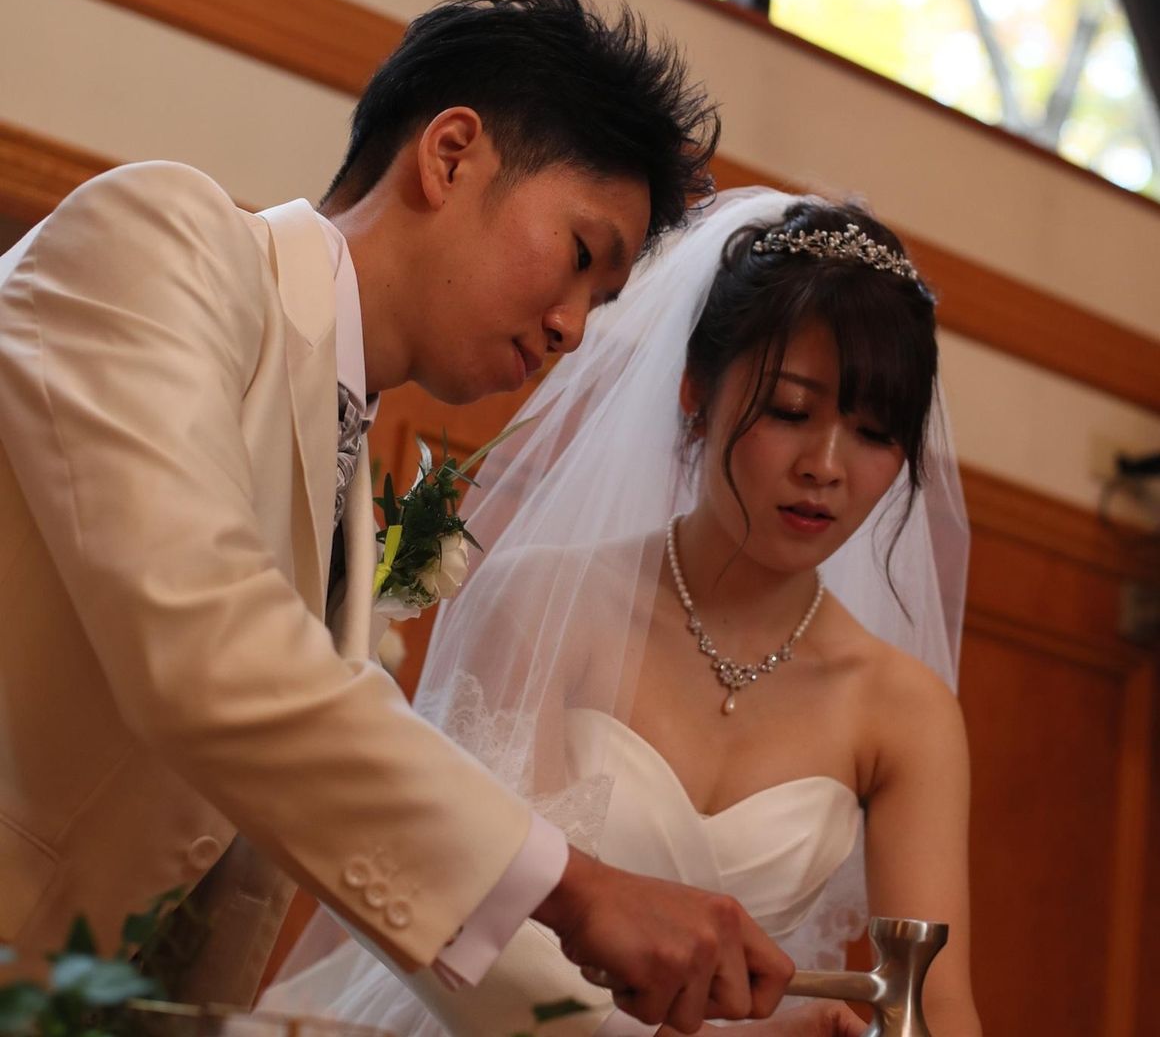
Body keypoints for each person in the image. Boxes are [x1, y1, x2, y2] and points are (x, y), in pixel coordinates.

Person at [0, 0, 801, 1033]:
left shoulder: (351, 482)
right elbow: (203, 641)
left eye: (599, 302)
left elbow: (346, 826)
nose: (572, 328)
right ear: (450, 154)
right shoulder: (158, 238)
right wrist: (581, 887)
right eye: (579, 255)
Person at [258, 187, 982, 1036]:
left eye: (874, 434)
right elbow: (463, 909)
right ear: (695, 391)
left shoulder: (904, 714)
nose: (826, 465)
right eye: (791, 411)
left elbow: (935, 1002)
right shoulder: (543, 602)